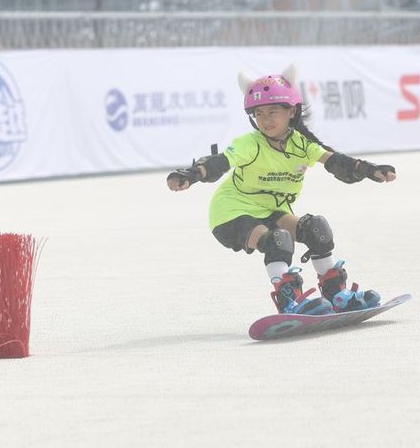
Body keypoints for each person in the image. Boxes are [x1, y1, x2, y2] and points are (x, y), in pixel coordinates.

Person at [166, 64, 396, 316]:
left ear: (291, 112)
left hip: (270, 210)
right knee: (278, 240)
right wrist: (192, 174)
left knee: (316, 228)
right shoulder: (249, 144)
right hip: (231, 213)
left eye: (273, 111)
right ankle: (289, 302)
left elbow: (335, 162)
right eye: (259, 113)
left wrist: (369, 169)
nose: (266, 120)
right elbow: (220, 162)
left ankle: (335, 295)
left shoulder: (302, 145)